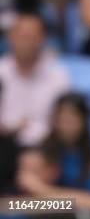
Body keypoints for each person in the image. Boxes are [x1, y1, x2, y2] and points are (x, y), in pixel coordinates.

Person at [0, 13, 70, 147]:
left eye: (32, 37)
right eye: (22, 36)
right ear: (11, 37)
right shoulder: (1, 71)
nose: (27, 42)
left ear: (43, 39)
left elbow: (64, 118)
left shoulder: (57, 74)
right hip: (5, 143)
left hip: (46, 146)